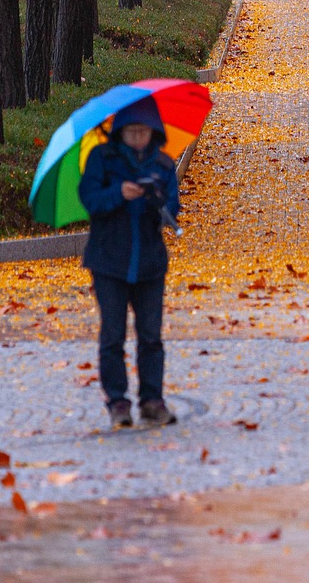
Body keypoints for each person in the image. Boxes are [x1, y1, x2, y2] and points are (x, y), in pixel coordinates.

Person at [77, 98, 181, 429]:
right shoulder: (102, 159)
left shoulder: (163, 165)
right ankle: (117, 402)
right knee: (113, 335)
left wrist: (157, 200)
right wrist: (118, 193)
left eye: (143, 132)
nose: (137, 137)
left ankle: (152, 400)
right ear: (120, 132)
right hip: (108, 261)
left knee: (151, 335)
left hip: (150, 264)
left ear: (154, 133)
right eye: (131, 132)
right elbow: (90, 200)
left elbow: (173, 208)